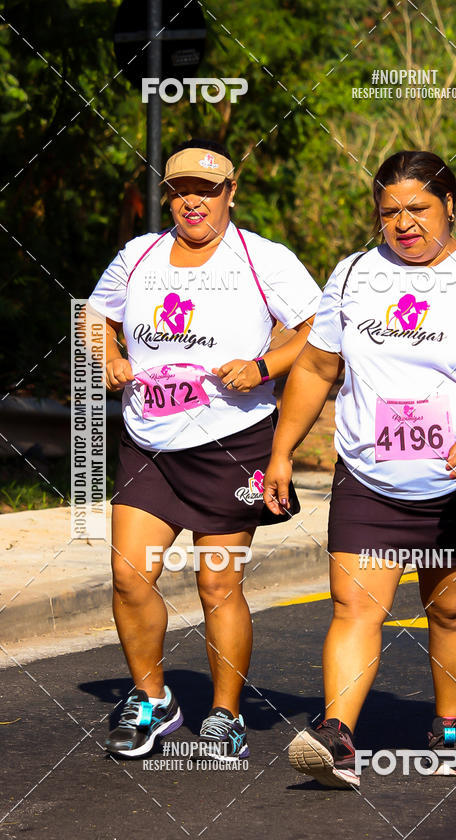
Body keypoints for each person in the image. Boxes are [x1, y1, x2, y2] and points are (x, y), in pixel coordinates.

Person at [263, 150, 456, 786]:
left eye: (418, 208)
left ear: (450, 206)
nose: (404, 223)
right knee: (355, 607)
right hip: (368, 473)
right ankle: (337, 736)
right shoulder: (355, 273)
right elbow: (315, 367)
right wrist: (281, 452)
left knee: (450, 611)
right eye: (390, 212)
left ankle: (449, 726)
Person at [88, 139, 320, 759]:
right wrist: (108, 355)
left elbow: (319, 327)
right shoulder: (138, 256)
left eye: (208, 190)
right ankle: (152, 700)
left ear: (231, 193)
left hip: (231, 444)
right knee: (129, 576)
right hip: (149, 441)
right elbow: (94, 313)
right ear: (169, 195)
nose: (195, 201)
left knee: (218, 587)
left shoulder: (262, 258)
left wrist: (266, 363)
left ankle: (223, 712)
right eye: (183, 189)